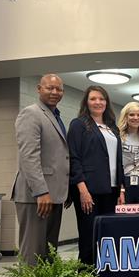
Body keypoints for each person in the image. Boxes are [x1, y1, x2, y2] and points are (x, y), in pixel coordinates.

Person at [11, 74, 69, 265]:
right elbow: (29, 156)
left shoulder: (56, 116)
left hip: (53, 196)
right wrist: (41, 191)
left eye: (58, 89)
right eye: (49, 88)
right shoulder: (31, 113)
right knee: (33, 255)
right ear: (38, 89)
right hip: (36, 197)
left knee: (48, 253)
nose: (54, 92)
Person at [67, 86, 124, 265]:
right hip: (89, 191)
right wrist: (82, 189)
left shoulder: (112, 128)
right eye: (93, 99)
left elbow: (118, 161)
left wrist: (121, 189)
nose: (98, 102)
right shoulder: (79, 124)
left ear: (107, 102)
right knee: (89, 239)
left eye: (101, 99)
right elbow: (73, 158)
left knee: (107, 239)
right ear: (86, 102)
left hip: (111, 190)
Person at [118, 101, 139, 204]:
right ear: (125, 117)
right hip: (125, 181)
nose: (136, 118)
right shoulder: (118, 137)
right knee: (125, 217)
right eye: (131, 114)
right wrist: (121, 189)